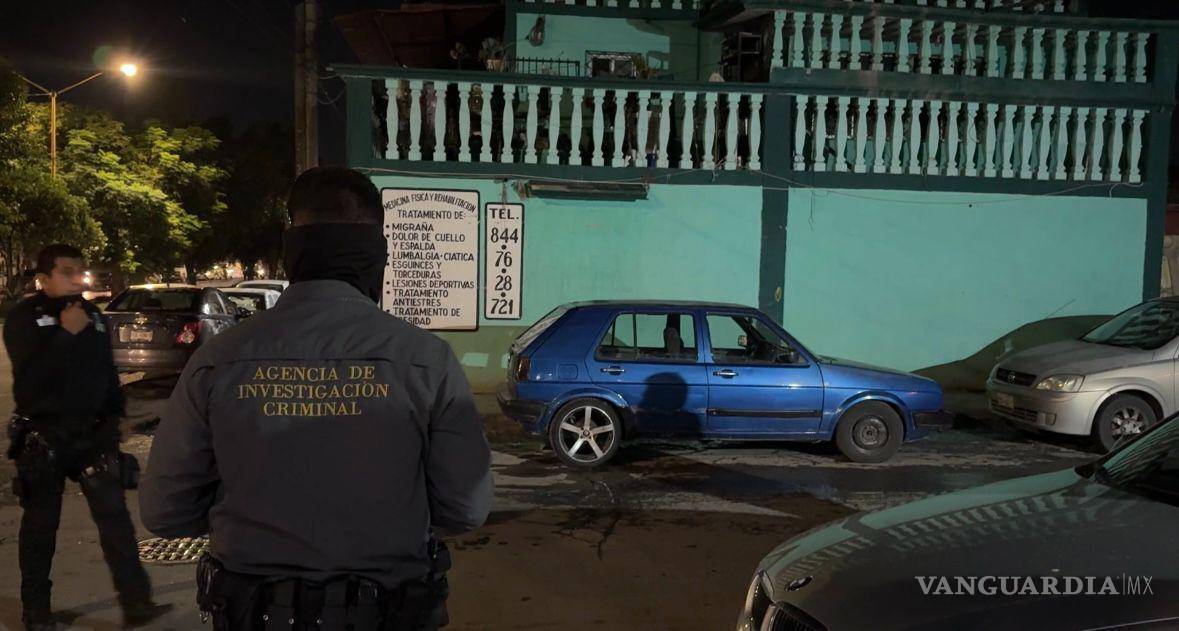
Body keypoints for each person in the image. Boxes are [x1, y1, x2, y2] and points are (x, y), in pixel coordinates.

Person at [139, 166, 493, 630]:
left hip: (254, 612)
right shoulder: (427, 361)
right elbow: (465, 508)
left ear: (293, 254)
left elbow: (166, 511)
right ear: (376, 255)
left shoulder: (218, 361)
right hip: (386, 610)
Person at [4, 244, 171, 630]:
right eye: (66, 271)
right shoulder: (24, 317)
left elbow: (105, 370)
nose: (76, 277)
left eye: (79, 270)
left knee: (116, 521)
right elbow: (30, 380)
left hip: (93, 436)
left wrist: (118, 417)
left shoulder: (93, 315)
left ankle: (137, 604)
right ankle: (36, 611)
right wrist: (64, 335)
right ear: (43, 278)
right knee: (40, 527)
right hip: (43, 437)